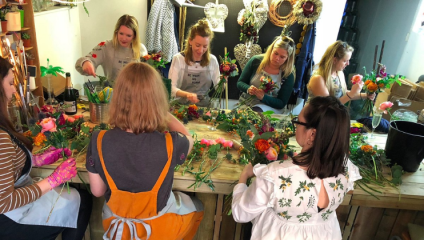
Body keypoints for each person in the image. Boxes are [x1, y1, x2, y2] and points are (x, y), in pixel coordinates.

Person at [86, 62, 204, 240]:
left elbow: (97, 191)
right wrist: (163, 113)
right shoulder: (170, 143)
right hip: (159, 229)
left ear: (117, 99)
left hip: (116, 226)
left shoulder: (98, 139)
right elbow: (189, 138)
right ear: (157, 101)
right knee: (198, 205)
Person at [232, 96, 361, 240]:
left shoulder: (275, 175)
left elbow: (240, 213)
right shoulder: (346, 167)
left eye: (298, 122)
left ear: (312, 134)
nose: (296, 127)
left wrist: (243, 177)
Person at [0, 57, 92, 240]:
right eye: (10, 83)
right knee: (82, 200)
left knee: (77, 195)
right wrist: (53, 180)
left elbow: (6, 164)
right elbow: (4, 202)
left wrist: (39, 160)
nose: (13, 89)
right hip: (9, 220)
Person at [75, 14, 148, 87]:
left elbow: (147, 76)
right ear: (116, 32)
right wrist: (85, 63)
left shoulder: (141, 49)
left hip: (135, 94)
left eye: (128, 35)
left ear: (134, 36)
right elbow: (79, 63)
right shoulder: (105, 46)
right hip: (111, 93)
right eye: (121, 33)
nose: (124, 38)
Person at [237, 34, 296, 113]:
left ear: (288, 58)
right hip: (247, 102)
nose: (277, 58)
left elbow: (281, 103)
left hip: (270, 106)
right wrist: (248, 88)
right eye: (275, 53)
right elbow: (240, 83)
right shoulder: (256, 61)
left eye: (282, 57)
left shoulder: (288, 74)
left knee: (255, 113)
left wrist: (264, 97)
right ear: (271, 50)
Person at [168, 19, 220, 107]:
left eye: (205, 46)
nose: (201, 50)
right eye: (198, 45)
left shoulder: (212, 61)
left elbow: (219, 89)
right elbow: (171, 89)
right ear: (190, 41)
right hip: (182, 107)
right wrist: (187, 95)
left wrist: (223, 81)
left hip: (204, 107)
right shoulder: (178, 59)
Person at [307, 41, 375, 104]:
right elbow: (328, 107)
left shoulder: (339, 73)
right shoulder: (318, 78)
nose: (348, 64)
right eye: (345, 61)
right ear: (335, 60)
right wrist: (351, 93)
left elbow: (344, 94)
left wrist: (366, 95)